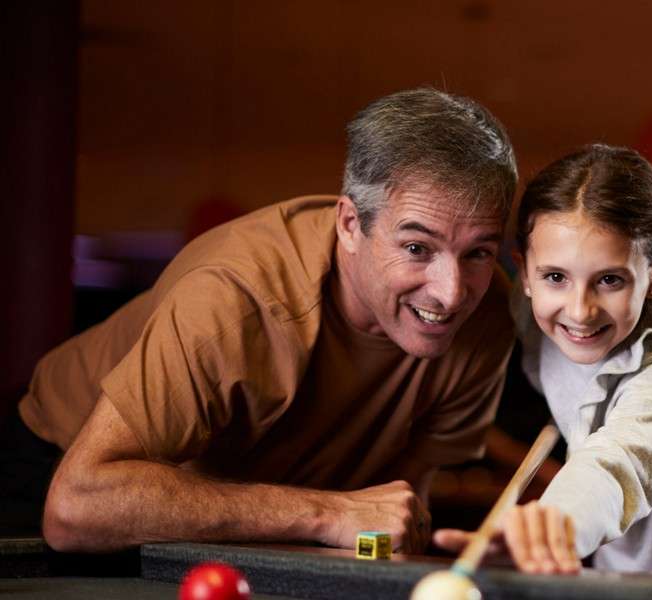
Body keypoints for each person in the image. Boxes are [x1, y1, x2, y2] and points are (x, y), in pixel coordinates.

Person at [3, 87, 518, 554]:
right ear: (349, 224)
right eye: (415, 247)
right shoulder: (236, 298)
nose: (451, 294)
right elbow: (75, 509)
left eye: (477, 252)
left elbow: (393, 511)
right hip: (65, 468)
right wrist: (328, 513)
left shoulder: (487, 309)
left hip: (266, 516)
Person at [435, 145, 652, 580]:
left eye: (609, 280)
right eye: (556, 277)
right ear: (524, 273)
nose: (580, 311)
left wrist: (551, 528)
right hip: (610, 577)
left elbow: (618, 464)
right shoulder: (526, 316)